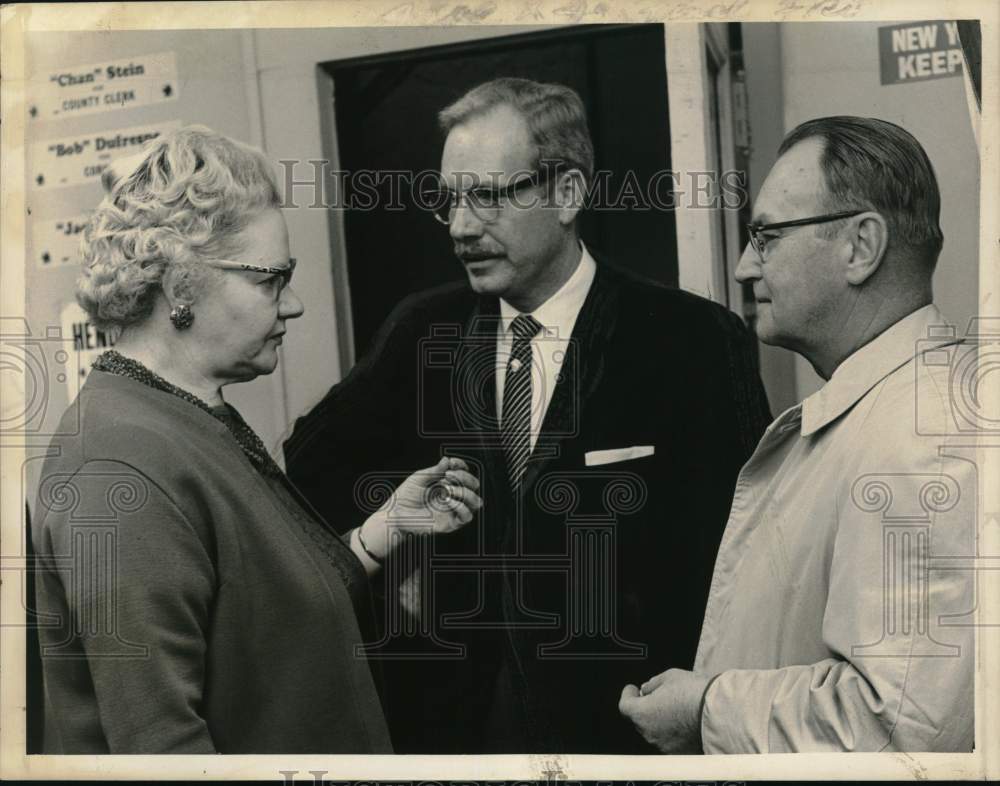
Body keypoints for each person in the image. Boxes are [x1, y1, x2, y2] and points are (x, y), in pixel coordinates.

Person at [285, 78, 772, 753]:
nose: (460, 227)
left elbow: (751, 556)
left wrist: (707, 707)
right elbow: (307, 468)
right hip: (455, 734)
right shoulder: (422, 330)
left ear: (567, 194)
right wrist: (396, 551)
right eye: (450, 200)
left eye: (486, 196)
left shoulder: (693, 343)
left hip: (628, 737)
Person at [30, 126, 482, 754]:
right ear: (182, 284)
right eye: (271, 280)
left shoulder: (185, 418)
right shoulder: (116, 469)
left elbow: (264, 616)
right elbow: (162, 749)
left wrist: (384, 531)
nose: (292, 304)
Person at [619, 116, 976, 753]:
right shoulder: (886, 413)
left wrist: (705, 709)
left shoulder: (924, 440)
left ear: (861, 247)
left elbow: (900, 729)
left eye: (767, 237)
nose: (742, 267)